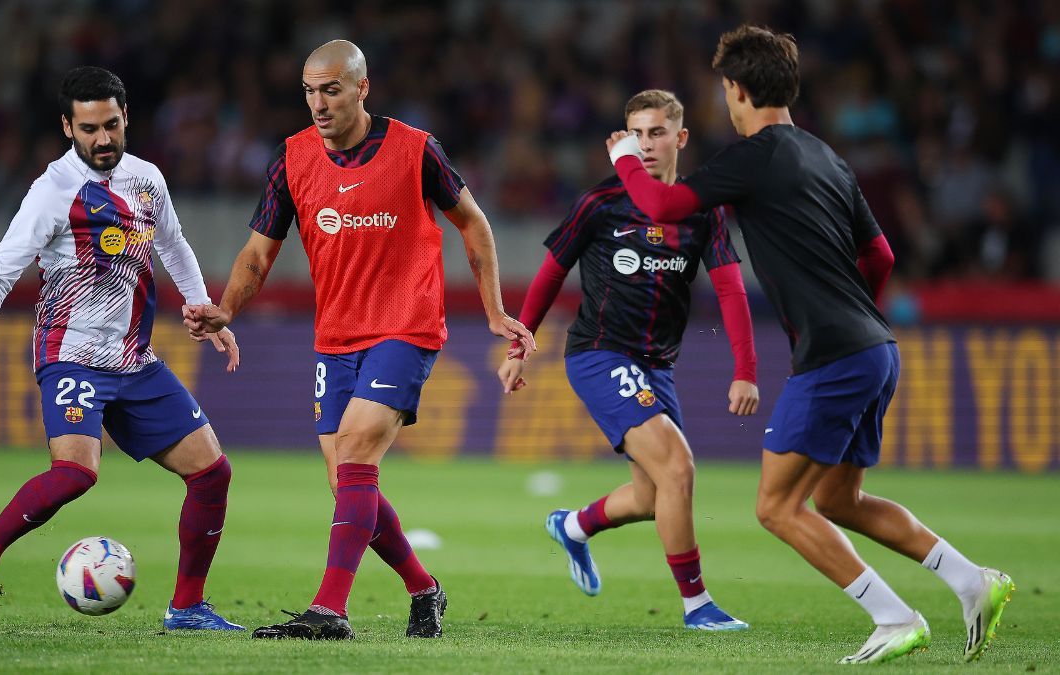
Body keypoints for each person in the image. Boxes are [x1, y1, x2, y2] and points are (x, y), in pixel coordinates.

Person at [605, 25, 1012, 664]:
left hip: (837, 356)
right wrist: (846, 314)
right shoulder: (828, 157)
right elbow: (880, 254)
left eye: (725, 92)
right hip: (876, 346)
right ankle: (971, 580)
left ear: (737, 91)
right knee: (838, 499)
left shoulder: (754, 155)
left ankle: (894, 616)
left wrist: (625, 154)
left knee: (775, 506)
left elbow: (660, 204)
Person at [183, 40, 536, 641]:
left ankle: (330, 610)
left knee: (353, 454)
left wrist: (495, 310)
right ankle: (425, 589)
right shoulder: (291, 159)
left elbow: (472, 222)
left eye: (331, 90)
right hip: (336, 337)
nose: (318, 104)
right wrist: (225, 309)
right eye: (309, 91)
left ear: (362, 88)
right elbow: (257, 254)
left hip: (406, 326)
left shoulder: (416, 150)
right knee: (347, 479)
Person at [0, 66, 245, 631]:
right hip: (71, 353)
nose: (102, 139)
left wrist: (205, 308)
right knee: (77, 472)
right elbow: (1, 271)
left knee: (212, 474)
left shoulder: (147, 179)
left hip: (133, 358)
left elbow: (173, 245)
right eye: (88, 129)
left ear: (125, 117)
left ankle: (187, 608)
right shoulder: (52, 192)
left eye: (110, 125)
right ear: (67, 127)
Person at [498, 89, 757, 631]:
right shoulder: (601, 203)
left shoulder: (701, 211)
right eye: (636, 133)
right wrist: (520, 345)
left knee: (651, 493)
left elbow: (731, 291)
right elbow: (550, 273)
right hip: (599, 353)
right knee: (679, 466)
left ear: (680, 138)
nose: (646, 145)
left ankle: (573, 527)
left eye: (657, 133)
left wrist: (746, 369)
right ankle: (697, 606)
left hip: (656, 365)